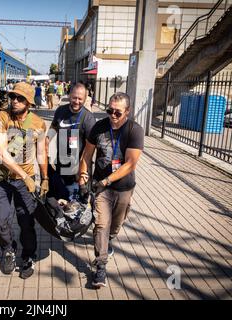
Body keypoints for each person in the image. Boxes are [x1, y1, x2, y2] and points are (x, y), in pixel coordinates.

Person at [78, 92, 144, 289]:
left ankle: (110, 240)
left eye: (117, 112)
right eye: (109, 110)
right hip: (101, 188)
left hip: (123, 187)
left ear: (127, 112)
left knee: (115, 226)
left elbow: (131, 164)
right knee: (101, 225)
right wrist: (83, 177)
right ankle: (100, 266)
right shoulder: (99, 127)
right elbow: (86, 155)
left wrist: (107, 180)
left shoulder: (135, 130)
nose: (112, 115)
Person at [0, 82, 49, 279]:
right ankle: (8, 249)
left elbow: (41, 153)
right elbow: (1, 152)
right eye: (13, 97)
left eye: (20, 98)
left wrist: (45, 178)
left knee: (26, 221)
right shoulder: (0, 117)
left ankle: (28, 255)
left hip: (26, 180)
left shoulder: (39, 124)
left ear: (29, 103)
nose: (14, 101)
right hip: (3, 179)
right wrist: (24, 176)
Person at [46, 83, 96, 201]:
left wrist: (82, 174)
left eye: (80, 99)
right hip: (61, 167)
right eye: (74, 98)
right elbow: (54, 126)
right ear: (69, 96)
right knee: (59, 203)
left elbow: (90, 149)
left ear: (85, 99)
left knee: (76, 207)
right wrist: (47, 140)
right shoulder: (61, 111)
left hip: (77, 172)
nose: (77, 101)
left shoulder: (88, 118)